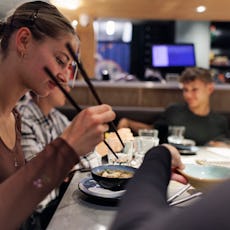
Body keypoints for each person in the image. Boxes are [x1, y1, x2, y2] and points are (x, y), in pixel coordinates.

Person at [0, 1, 116, 229]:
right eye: (61, 61)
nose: (65, 77)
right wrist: (67, 148)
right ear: (23, 41)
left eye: (70, 66)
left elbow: (29, 193)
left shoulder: (14, 117)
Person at [17, 89, 102, 228]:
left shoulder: (56, 116)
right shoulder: (23, 117)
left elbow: (93, 155)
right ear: (48, 85)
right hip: (39, 216)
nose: (68, 89)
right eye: (63, 84)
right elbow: (38, 180)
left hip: (60, 201)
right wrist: (64, 166)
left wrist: (63, 167)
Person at [118, 67, 229, 145]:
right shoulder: (174, 111)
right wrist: (128, 123)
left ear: (210, 89)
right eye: (185, 90)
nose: (188, 95)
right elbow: (152, 131)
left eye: (194, 89)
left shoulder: (220, 121)